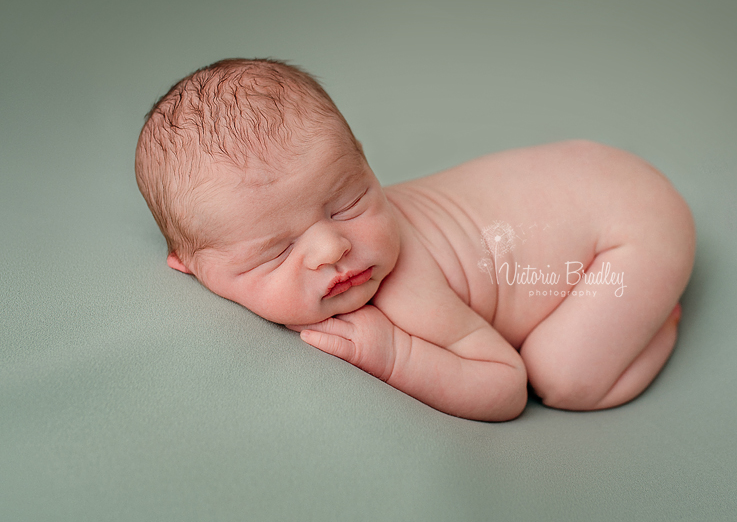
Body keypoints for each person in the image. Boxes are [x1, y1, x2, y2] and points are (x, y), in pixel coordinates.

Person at [135, 58, 695, 421]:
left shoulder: (408, 287)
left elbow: (506, 386)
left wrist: (395, 354)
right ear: (188, 264)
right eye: (277, 251)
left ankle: (660, 316)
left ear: (366, 166)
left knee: (563, 378)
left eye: (349, 203)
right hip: (587, 177)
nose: (332, 249)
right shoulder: (317, 231)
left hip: (630, 231)